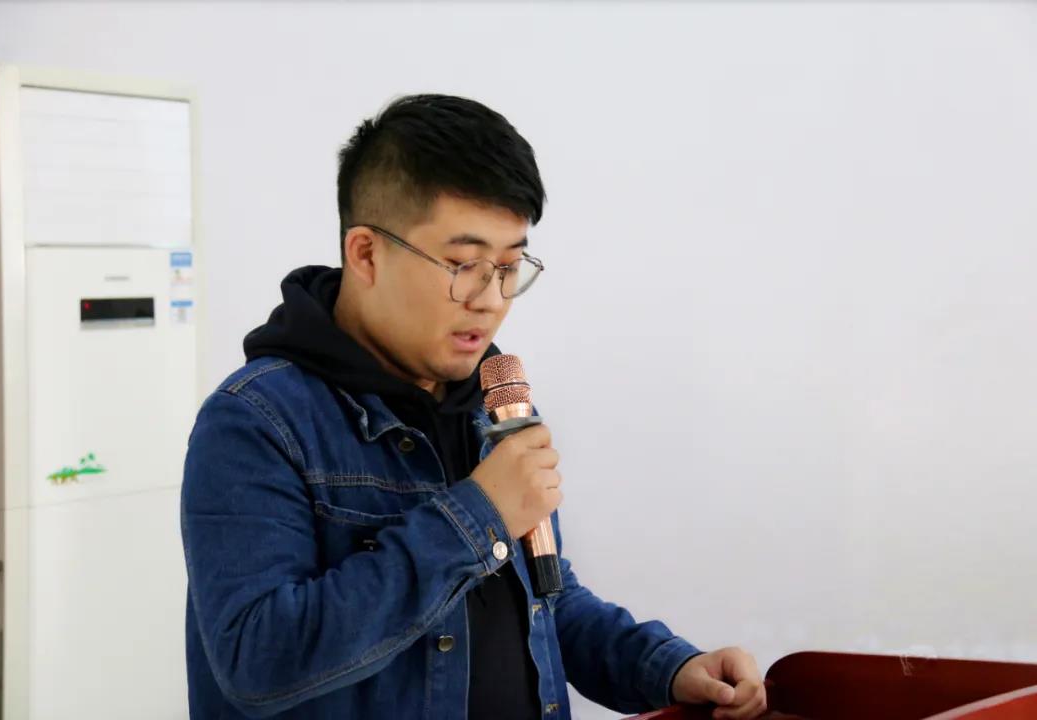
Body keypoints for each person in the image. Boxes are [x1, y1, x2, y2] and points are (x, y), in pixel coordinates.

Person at [181, 94, 768, 720]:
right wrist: (480, 514)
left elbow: (547, 601)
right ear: (366, 253)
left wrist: (668, 668)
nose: (491, 299)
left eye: (510, 266)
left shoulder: (496, 405)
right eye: (463, 264)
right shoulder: (256, 421)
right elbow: (258, 659)